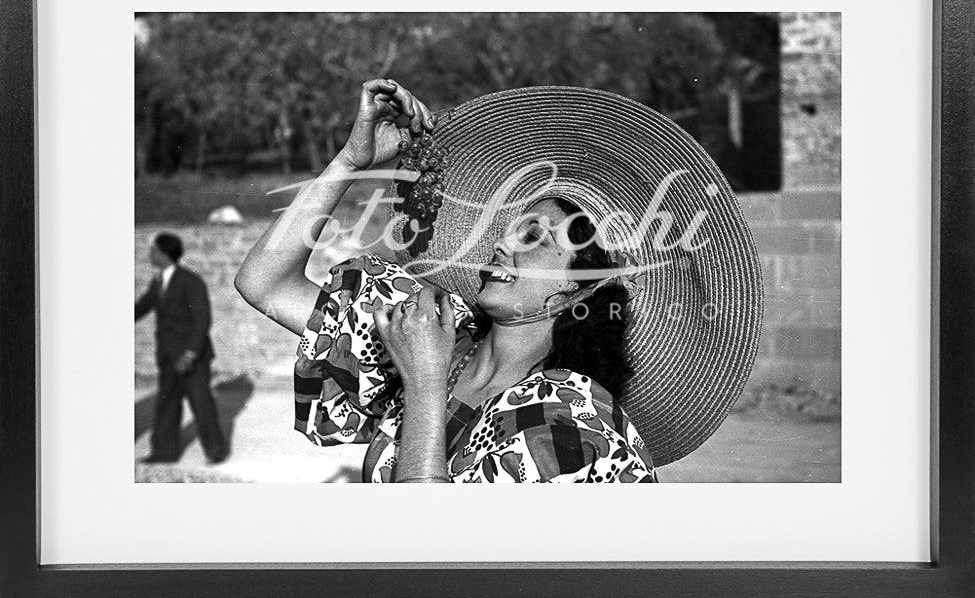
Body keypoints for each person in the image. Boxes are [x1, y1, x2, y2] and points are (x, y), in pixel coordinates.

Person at [235, 79, 763, 482]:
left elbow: (433, 560)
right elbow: (265, 283)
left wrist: (423, 385)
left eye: (536, 238)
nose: (504, 243)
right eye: (513, 228)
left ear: (580, 289)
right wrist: (354, 160)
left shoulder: (569, 418)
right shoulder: (438, 331)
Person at [135, 232, 228, 464]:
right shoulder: (158, 281)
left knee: (200, 402)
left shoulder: (190, 280)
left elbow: (202, 319)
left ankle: (215, 452)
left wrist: (190, 353)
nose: (150, 254)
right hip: (167, 356)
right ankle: (164, 453)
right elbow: (142, 307)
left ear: (164, 253)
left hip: (191, 357)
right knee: (167, 403)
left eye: (153, 250)